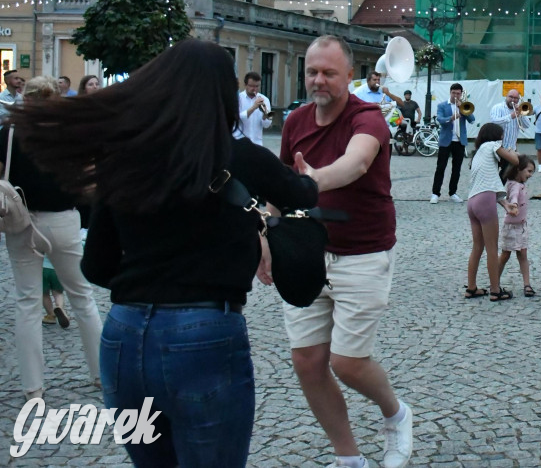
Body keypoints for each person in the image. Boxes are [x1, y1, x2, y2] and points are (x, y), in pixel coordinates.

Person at [10, 44, 319, 466]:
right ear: (222, 95)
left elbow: (97, 264)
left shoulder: (124, 159)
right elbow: (303, 193)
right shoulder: (239, 156)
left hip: (123, 334)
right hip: (205, 333)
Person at [277, 35, 413, 468]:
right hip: (305, 252)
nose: (319, 80)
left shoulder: (368, 118)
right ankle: (348, 457)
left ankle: (396, 414)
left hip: (363, 252)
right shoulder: (295, 121)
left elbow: (355, 163)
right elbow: (277, 191)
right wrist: (264, 239)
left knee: (348, 362)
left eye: (329, 73)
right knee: (307, 362)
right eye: (312, 71)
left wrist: (313, 181)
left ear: (349, 76)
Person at [1, 75, 102, 401]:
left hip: (22, 222)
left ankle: (33, 387)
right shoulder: (70, 135)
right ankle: (101, 373)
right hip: (63, 220)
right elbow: (89, 179)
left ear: (25, 100)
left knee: (27, 301)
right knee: (82, 297)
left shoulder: (8, 132)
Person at [465, 122, 520, 302]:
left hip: (473, 202)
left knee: (477, 247)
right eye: (502, 136)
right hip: (485, 202)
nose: (503, 139)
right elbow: (515, 161)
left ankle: (471, 287)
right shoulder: (492, 145)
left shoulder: (478, 154)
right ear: (496, 136)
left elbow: (486, 183)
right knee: (491, 248)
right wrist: (511, 150)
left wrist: (504, 204)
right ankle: (495, 290)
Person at [497, 155, 536, 297]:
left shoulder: (520, 184)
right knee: (505, 255)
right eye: (529, 171)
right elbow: (513, 197)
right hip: (511, 227)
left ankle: (527, 284)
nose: (530, 175)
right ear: (519, 169)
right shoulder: (514, 185)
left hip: (521, 226)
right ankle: (495, 281)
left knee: (522, 254)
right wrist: (513, 206)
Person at [431, 83, 475, 204]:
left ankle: (453, 193)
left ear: (461, 94)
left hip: (459, 141)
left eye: (458, 93)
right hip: (446, 140)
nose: (456, 95)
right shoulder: (443, 105)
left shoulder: (464, 105)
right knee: (440, 167)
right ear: (450, 92)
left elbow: (472, 119)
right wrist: (451, 118)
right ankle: (435, 193)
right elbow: (439, 119)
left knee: (457, 169)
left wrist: (463, 109)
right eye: (453, 93)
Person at [238, 71, 272, 145]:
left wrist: (265, 114)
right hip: (240, 142)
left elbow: (267, 125)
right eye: (251, 86)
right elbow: (238, 118)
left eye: (257, 86)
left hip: (257, 143)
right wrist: (253, 107)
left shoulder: (265, 99)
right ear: (245, 85)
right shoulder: (238, 99)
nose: (255, 89)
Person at [41, 253, 70, 328]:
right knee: (58, 293)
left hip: (42, 268)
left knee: (44, 294)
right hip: (58, 270)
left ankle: (51, 315)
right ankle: (60, 308)